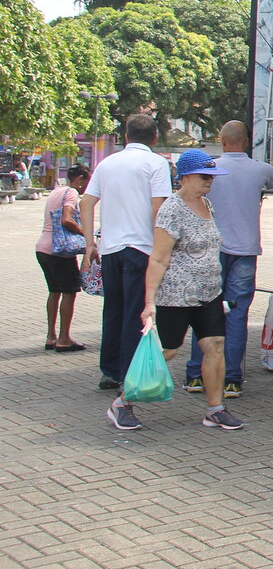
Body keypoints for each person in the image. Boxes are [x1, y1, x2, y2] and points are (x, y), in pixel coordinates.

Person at [106, 149, 244, 431]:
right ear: (185, 177)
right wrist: (149, 303)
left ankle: (215, 410)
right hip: (176, 295)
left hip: (209, 292)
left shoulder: (207, 204)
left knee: (215, 345)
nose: (210, 181)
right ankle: (121, 403)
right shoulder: (171, 209)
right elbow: (157, 258)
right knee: (165, 351)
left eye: (212, 176)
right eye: (205, 176)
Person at [181, 121, 273, 399]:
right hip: (245, 251)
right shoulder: (259, 170)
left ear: (222, 140)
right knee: (236, 316)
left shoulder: (209, 169)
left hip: (211, 250)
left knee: (204, 312)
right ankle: (231, 380)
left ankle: (195, 375)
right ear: (247, 140)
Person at [81, 113, 173, 392]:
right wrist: (162, 246)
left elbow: (86, 203)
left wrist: (89, 244)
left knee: (113, 309)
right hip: (141, 248)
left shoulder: (107, 163)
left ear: (125, 137)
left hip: (110, 249)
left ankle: (109, 371)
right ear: (155, 137)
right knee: (136, 312)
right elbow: (159, 207)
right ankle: (129, 374)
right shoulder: (156, 163)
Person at [35, 164, 91, 352]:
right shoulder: (72, 193)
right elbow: (66, 219)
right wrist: (85, 233)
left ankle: (51, 336)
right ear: (80, 179)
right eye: (86, 181)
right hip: (59, 251)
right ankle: (64, 338)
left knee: (54, 291)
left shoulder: (55, 192)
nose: (86, 187)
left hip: (43, 249)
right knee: (69, 292)